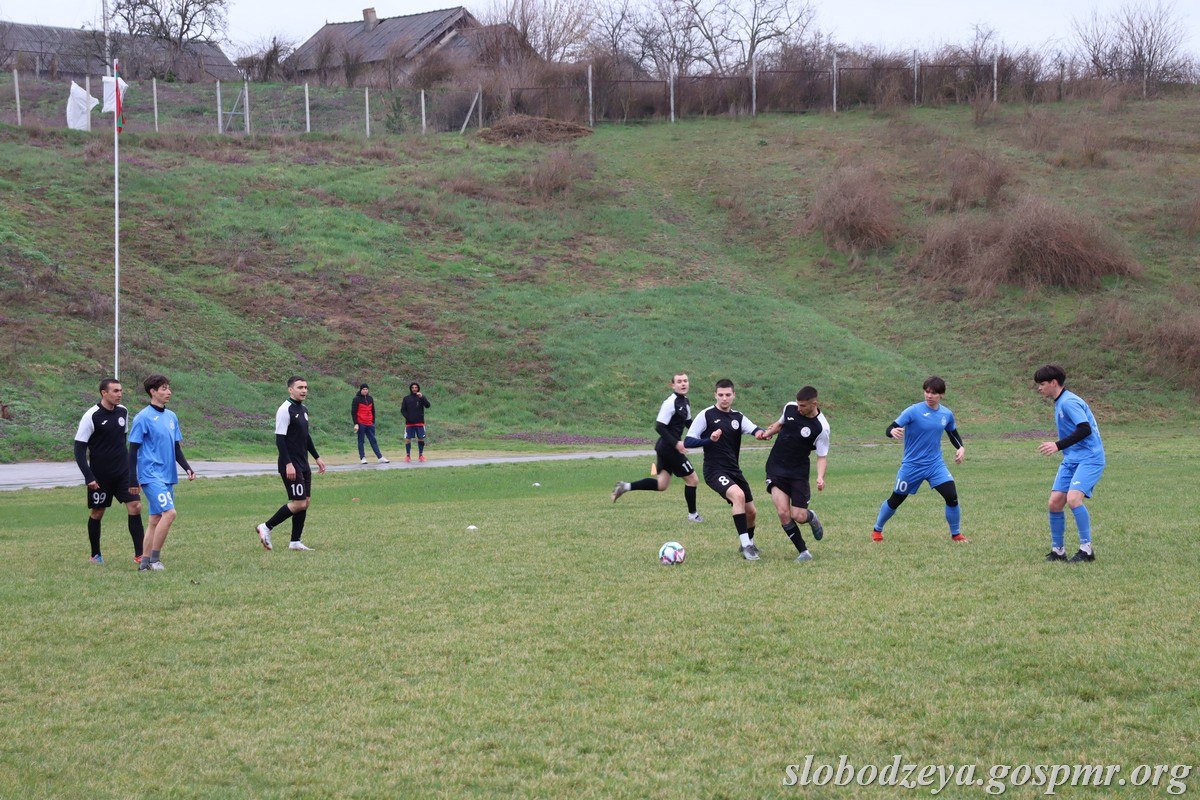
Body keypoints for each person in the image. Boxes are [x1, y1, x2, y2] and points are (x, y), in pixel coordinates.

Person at [872, 376, 967, 544]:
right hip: (912, 466)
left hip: (935, 465)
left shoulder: (946, 414)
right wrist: (892, 432)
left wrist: (960, 447)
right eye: (927, 392)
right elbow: (890, 427)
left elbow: (952, 433)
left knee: (951, 496)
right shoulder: (913, 411)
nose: (929, 396)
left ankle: (956, 534)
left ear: (941, 395)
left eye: (934, 393)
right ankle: (877, 530)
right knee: (896, 500)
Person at [685, 379, 770, 560]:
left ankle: (749, 543)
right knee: (738, 496)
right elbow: (688, 441)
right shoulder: (706, 415)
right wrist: (709, 440)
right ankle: (746, 547)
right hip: (714, 471)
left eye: (728, 395)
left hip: (734, 470)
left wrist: (762, 434)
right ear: (715, 395)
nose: (724, 398)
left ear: (734, 396)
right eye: (721, 395)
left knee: (752, 512)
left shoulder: (738, 417)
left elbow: (755, 429)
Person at [1034, 364, 1105, 563]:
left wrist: (1057, 445)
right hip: (1072, 458)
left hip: (1090, 458)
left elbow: (1085, 429)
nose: (1039, 388)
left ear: (1054, 383)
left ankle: (1087, 550)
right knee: (1055, 503)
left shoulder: (1069, 402)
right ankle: (1058, 551)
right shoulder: (1060, 401)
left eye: (1042, 384)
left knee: (1074, 499)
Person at [611, 373, 703, 523]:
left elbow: (688, 423)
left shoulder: (685, 402)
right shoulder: (670, 402)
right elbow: (659, 426)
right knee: (692, 480)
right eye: (679, 382)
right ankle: (693, 516)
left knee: (661, 485)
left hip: (665, 448)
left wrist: (704, 434)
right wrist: (676, 444)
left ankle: (624, 486)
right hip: (669, 448)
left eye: (685, 381)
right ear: (672, 385)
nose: (683, 384)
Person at [73, 377, 144, 565]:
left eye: (121, 390)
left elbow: (123, 441)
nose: (119, 394)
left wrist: (132, 472)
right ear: (104, 393)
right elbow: (79, 449)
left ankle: (140, 555)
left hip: (123, 473)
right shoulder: (91, 416)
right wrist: (89, 476)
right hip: (100, 476)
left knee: (136, 506)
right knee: (98, 512)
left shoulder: (123, 411)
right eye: (115, 391)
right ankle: (95, 555)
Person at [128, 374, 195, 571]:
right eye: (164, 388)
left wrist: (187, 468)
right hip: (150, 475)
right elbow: (132, 451)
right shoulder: (143, 417)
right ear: (153, 392)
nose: (169, 392)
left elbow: (176, 447)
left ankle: (144, 562)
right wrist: (133, 479)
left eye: (168, 388)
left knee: (155, 520)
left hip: (167, 475)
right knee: (170, 513)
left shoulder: (171, 416)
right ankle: (156, 560)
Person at [256, 376, 327, 552]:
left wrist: (317, 457)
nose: (304, 390)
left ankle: (295, 541)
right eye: (300, 387)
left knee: (306, 501)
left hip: (303, 462)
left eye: (305, 387)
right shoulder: (284, 409)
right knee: (299, 503)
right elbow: (280, 439)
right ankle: (266, 526)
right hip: (291, 463)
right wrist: (288, 463)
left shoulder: (303, 409)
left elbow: (306, 436)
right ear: (290, 390)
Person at [761, 386, 829, 562]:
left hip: (798, 473)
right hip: (776, 468)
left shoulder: (821, 427)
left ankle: (811, 517)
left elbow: (821, 456)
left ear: (814, 404)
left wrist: (820, 477)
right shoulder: (790, 407)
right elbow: (780, 423)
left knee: (798, 515)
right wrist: (768, 432)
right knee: (783, 513)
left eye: (803, 406)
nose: (799, 408)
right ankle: (804, 552)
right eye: (798, 404)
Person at [351, 383, 388, 465]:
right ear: (360, 390)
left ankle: (380, 457)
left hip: (369, 423)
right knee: (361, 440)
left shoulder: (370, 398)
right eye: (363, 389)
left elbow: (373, 411)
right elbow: (353, 412)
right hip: (361, 423)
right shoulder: (356, 399)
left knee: (373, 440)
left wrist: (373, 422)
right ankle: (362, 457)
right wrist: (356, 423)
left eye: (366, 389)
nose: (365, 391)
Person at [401, 382, 431, 462]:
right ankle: (408, 456)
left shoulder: (421, 397)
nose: (414, 389)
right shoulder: (406, 398)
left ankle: (421, 455)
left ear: (418, 388)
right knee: (407, 439)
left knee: (421, 438)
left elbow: (428, 405)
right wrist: (408, 417)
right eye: (413, 387)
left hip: (420, 422)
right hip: (409, 423)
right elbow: (403, 410)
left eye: (416, 387)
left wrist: (423, 397)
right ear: (411, 389)